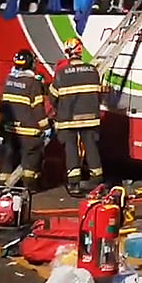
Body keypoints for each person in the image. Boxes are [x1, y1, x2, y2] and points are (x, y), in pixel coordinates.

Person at [48, 37, 102, 197]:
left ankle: (74, 185)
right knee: (91, 147)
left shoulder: (62, 73)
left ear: (67, 52)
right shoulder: (93, 71)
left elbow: (52, 97)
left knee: (71, 149)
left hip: (68, 119)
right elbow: (97, 95)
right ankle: (97, 182)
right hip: (90, 117)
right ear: (81, 51)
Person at [0, 50, 50, 192]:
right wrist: (46, 127)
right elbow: (38, 108)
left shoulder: (9, 80)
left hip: (10, 129)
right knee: (31, 159)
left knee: (9, 157)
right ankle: (29, 187)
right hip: (29, 131)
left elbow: (2, 104)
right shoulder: (33, 83)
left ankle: (3, 185)